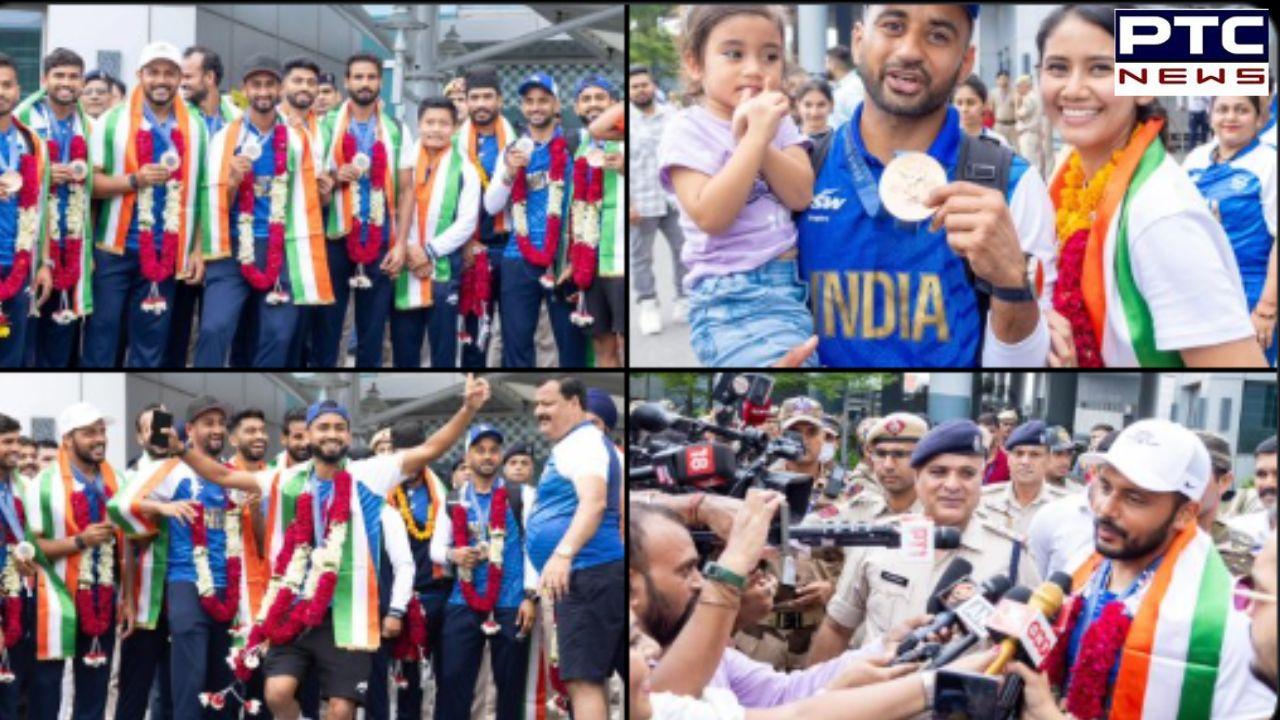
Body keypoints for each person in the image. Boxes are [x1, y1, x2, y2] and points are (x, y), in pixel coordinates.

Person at [150, 375, 491, 720]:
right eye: (323, 427)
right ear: (309, 434)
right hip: (293, 609)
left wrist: (467, 409)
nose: (331, 434)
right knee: (277, 694)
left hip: (346, 612)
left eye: (339, 427)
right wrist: (182, 451)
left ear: (347, 434)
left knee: (341, 710)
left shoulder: (369, 473)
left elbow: (430, 449)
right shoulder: (285, 477)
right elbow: (223, 477)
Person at [797, 4, 1057, 369]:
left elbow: (1029, 362)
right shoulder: (799, 171)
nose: (909, 51)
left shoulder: (1012, 183)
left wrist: (1012, 284)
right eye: (892, 26)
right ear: (858, 41)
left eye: (938, 36)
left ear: (966, 62)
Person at [1037, 5, 1264, 368]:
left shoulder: (1161, 214)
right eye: (1058, 68)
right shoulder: (1070, 170)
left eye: (1100, 68)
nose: (1073, 89)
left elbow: (1239, 365)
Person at [1011, 419, 1278, 719]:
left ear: (1184, 513)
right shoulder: (1083, 565)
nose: (1105, 509)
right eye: (1105, 486)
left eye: (1134, 498)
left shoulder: (1229, 621)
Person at [659, 5, 816, 367]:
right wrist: (755, 138)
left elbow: (800, 193)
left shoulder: (777, 120)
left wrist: (757, 135)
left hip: (787, 285)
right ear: (695, 64)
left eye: (770, 56)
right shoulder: (686, 128)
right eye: (734, 54)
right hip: (729, 294)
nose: (754, 69)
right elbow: (711, 215)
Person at [807, 418, 1040, 663]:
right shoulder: (880, 540)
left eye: (967, 473)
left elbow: (1031, 653)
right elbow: (837, 627)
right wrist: (813, 697)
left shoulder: (1011, 554)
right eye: (938, 472)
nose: (952, 485)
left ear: (981, 479)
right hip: (879, 696)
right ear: (917, 478)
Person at [23, 402, 184, 720]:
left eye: (102, 431)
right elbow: (31, 547)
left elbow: (130, 544)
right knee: (47, 691)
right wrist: (80, 541)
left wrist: (126, 597)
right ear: (68, 439)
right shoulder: (42, 485)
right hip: (55, 601)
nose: (99, 439)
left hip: (103, 600)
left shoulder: (121, 481)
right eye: (89, 433)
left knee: (94, 692)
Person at [194, 54, 332, 367]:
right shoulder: (223, 139)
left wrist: (324, 193)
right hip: (231, 249)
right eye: (256, 85)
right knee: (216, 327)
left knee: (280, 334)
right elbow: (214, 205)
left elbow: (316, 201)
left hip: (281, 248)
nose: (263, 92)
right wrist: (231, 181)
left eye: (270, 84)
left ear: (280, 89)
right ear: (245, 89)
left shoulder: (300, 140)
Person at [83, 42, 208, 368]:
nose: (161, 80)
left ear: (180, 77)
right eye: (154, 72)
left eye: (169, 72)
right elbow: (90, 186)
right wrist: (133, 180)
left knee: (152, 340)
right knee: (102, 335)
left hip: (167, 249)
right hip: (114, 249)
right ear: (140, 75)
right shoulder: (110, 121)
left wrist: (197, 249)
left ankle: (149, 414)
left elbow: (204, 192)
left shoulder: (196, 125)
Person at [527, 378, 624, 719]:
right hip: (590, 576)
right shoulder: (579, 444)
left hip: (587, 574)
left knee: (584, 682)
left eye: (548, 403)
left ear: (575, 403)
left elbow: (594, 502)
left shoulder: (582, 443)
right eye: (537, 405)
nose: (540, 411)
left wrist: (563, 553)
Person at [315, 53, 417, 368]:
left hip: (380, 236)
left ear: (380, 83)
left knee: (373, 329)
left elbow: (407, 189)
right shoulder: (324, 125)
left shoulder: (396, 129)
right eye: (358, 77)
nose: (365, 83)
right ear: (347, 82)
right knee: (327, 326)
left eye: (371, 77)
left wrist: (400, 244)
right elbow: (311, 182)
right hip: (335, 235)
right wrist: (333, 177)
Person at [431, 423, 537, 720]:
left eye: (493, 450)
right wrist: (455, 554)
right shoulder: (453, 498)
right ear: (468, 455)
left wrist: (531, 596)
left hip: (511, 602)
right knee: (453, 681)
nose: (487, 456)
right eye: (480, 450)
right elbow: (436, 549)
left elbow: (534, 548)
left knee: (510, 686)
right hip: (462, 602)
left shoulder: (521, 495)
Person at [482, 72, 587, 368]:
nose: (536, 107)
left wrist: (577, 258)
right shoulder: (512, 150)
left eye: (543, 100)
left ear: (556, 104)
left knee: (571, 345)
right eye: (529, 101)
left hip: (562, 258)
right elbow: (491, 206)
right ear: (522, 107)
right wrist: (509, 173)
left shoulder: (573, 144)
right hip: (518, 256)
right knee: (516, 348)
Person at [1183, 95, 1278, 365]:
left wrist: (1267, 310)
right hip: (1198, 291)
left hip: (1249, 294)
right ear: (1211, 116)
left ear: (1258, 118)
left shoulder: (1269, 163)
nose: (1231, 117)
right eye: (1222, 109)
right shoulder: (1195, 159)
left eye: (1242, 110)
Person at [13, 47, 93, 368]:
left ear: (82, 83)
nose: (66, 82)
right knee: (20, 338)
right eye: (59, 75)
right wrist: (45, 173)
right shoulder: (23, 121)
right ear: (44, 79)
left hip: (72, 245)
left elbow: (97, 183)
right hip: (27, 247)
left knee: (60, 339)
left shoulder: (89, 126)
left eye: (74, 76)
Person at [390, 96, 480, 368]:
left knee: (443, 348)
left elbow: (466, 221)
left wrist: (427, 251)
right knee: (404, 348)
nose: (436, 129)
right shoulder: (402, 163)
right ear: (419, 124)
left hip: (441, 265)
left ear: (454, 128)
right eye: (430, 122)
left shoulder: (466, 168)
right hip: (403, 263)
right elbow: (391, 206)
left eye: (444, 123)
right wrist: (406, 249)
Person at [383, 419, 453, 719]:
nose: (411, 459)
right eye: (404, 452)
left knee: (445, 671)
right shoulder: (381, 489)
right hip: (397, 598)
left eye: (417, 451)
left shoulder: (440, 488)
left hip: (437, 592)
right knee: (405, 675)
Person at [453, 65, 513, 368]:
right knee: (474, 333)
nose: (480, 104)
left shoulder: (517, 139)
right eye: (474, 97)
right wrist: (463, 243)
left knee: (516, 331)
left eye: (487, 96)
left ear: (499, 100)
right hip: (471, 248)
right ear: (465, 100)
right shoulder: (453, 144)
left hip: (512, 246)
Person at [0, 52, 53, 367]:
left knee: (10, 355)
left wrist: (44, 262)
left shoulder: (31, 141)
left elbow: (41, 206)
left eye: (7, 85)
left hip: (18, 268)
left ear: (19, 90)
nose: (1, 92)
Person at [571, 76, 626, 368]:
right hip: (591, 262)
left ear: (614, 104)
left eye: (600, 97)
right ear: (576, 107)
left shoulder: (627, 137)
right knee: (603, 346)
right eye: (586, 98)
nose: (593, 104)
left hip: (620, 257)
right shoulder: (581, 147)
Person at [628, 64, 687, 335]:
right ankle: (648, 303)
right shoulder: (623, 122)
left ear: (653, 85)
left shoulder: (672, 115)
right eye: (635, 86)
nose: (641, 90)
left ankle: (684, 298)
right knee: (641, 256)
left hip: (673, 198)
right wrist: (628, 202)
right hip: (641, 200)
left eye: (644, 84)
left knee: (684, 249)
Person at [0, 413, 38, 718]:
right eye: (8, 441)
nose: (16, 448)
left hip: (18, 598)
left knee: (14, 694)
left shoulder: (23, 486)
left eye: (17, 439)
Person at [978, 419, 1069, 541]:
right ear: (1009, 459)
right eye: (1019, 454)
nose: (1025, 462)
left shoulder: (1064, 506)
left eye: (1034, 455)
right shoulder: (983, 500)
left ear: (1047, 460)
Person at [834, 411, 928, 522]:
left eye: (899, 454)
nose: (888, 465)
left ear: (922, 458)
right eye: (881, 454)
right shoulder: (858, 506)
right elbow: (816, 520)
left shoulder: (937, 512)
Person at [953, 74, 1010, 146]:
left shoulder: (998, 142)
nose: (964, 109)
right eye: (959, 103)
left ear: (984, 105)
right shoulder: (945, 142)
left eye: (971, 103)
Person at [825, 45, 864, 131]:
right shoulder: (853, 85)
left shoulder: (849, 90)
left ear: (833, 64)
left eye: (826, 62)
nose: (825, 67)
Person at [1014, 74, 1044, 174]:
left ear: (1025, 85)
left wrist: (1017, 103)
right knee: (1034, 161)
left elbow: (1020, 115)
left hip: (1028, 134)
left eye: (1018, 86)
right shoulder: (1033, 96)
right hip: (1031, 133)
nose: (1017, 89)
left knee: (1028, 162)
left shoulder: (1029, 98)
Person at [1044, 425, 1082, 490]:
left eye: (1069, 453)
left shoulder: (1078, 489)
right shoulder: (1029, 489)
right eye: (1058, 454)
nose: (1065, 461)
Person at [990, 69, 1017, 147]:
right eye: (1001, 79)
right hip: (999, 125)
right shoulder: (993, 93)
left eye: (1005, 79)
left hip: (1012, 125)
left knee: (1014, 149)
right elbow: (992, 109)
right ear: (997, 80)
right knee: (999, 147)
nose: (1003, 81)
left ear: (1009, 80)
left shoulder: (1014, 92)